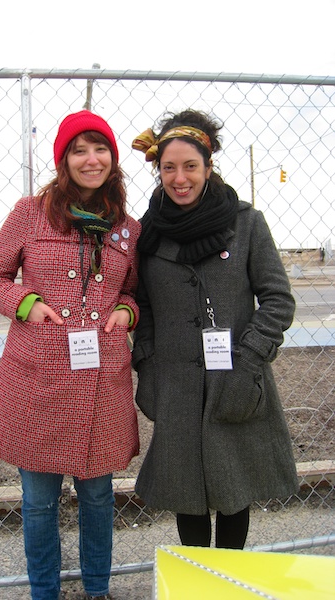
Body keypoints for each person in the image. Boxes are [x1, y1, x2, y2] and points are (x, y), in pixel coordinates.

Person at [0, 110, 141, 600]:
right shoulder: (31, 212)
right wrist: (26, 305)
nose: (91, 160)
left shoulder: (127, 228)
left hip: (101, 376)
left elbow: (134, 293)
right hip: (38, 378)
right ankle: (44, 592)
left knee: (97, 497)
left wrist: (126, 315)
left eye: (100, 150)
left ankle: (96, 591)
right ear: (63, 159)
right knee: (38, 501)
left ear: (112, 159)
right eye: (79, 150)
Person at [131, 109, 299, 550]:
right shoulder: (146, 232)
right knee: (185, 490)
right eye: (169, 167)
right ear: (158, 169)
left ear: (209, 167)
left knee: (232, 485)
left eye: (190, 166)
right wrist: (146, 365)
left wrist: (250, 360)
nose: (179, 178)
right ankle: (198, 583)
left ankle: (227, 580)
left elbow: (278, 300)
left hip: (236, 374)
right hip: (175, 381)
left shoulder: (245, 223)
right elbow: (141, 305)